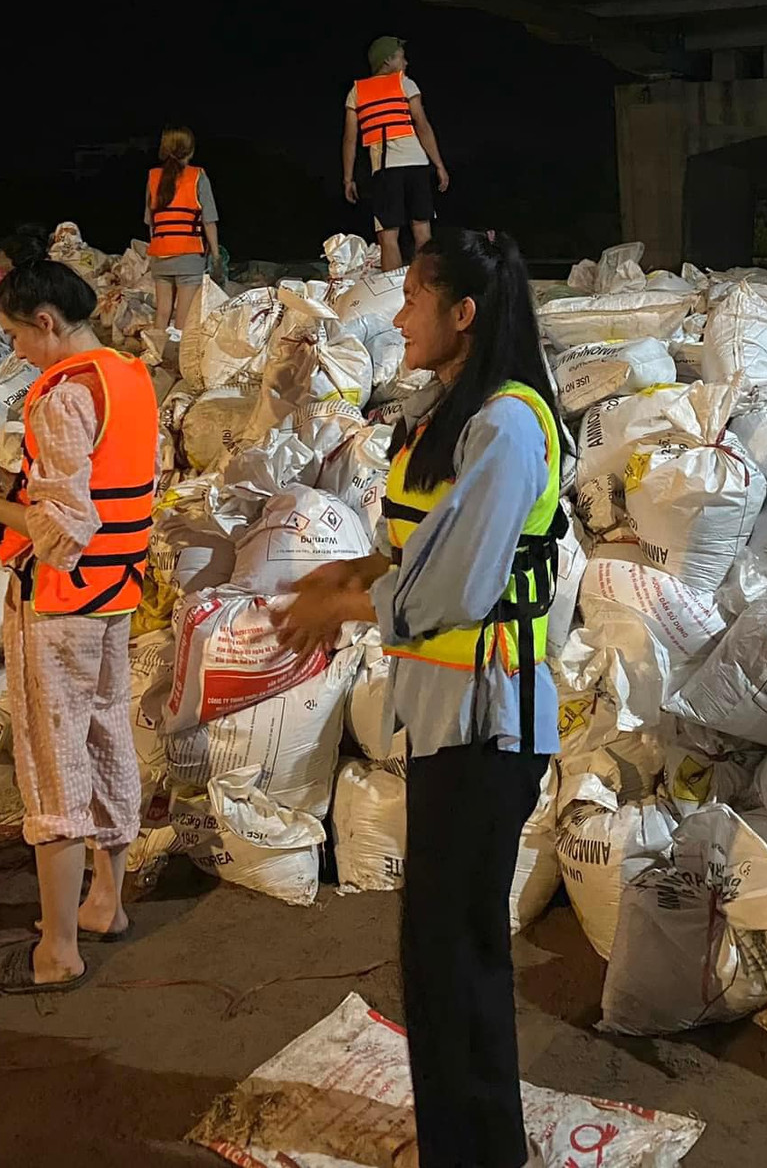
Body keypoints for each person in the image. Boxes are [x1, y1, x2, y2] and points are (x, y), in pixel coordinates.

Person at [276, 229, 564, 1168]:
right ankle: (465, 1142)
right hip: (449, 717)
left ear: (463, 314)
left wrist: (344, 603)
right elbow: (417, 546)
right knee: (438, 944)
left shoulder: (510, 426)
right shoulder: (455, 411)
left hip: (491, 721)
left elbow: (450, 588)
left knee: (457, 951)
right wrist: (349, 568)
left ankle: (479, 1154)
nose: (397, 316)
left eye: (412, 298)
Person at [0, 230, 158, 994]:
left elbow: (61, 529)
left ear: (46, 320)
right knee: (108, 734)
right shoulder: (127, 375)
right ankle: (103, 903)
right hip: (115, 595)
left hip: (62, 604)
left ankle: (56, 949)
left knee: (53, 764)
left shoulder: (62, 395)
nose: (16, 351)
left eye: (15, 334)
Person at [342, 37, 450, 272]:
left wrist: (348, 178)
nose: (406, 61)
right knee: (422, 231)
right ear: (388, 60)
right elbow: (422, 125)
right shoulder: (406, 84)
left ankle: (390, 293)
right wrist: (439, 164)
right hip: (417, 164)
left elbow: (350, 138)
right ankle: (426, 289)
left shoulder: (357, 91)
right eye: (401, 56)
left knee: (388, 237)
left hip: (385, 169)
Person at [145, 126, 220, 337]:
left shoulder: (153, 177)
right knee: (183, 318)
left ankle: (155, 355)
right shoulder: (198, 177)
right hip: (189, 256)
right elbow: (209, 221)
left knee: (162, 313)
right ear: (190, 150)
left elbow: (151, 222)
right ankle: (176, 360)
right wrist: (215, 255)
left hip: (160, 255)